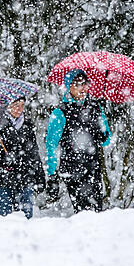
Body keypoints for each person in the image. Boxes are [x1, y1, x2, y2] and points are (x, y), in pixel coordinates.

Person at [45, 69, 112, 213]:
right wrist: (52, 174)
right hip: (73, 170)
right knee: (85, 213)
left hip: (93, 167)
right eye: (78, 85)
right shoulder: (60, 112)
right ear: (69, 87)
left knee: (97, 211)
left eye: (85, 84)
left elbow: (106, 140)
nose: (83, 88)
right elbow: (51, 144)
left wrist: (102, 130)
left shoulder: (95, 107)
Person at [0, 97, 46, 219]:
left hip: (24, 178)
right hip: (0, 180)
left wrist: (39, 176)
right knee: (3, 222)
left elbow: (34, 153)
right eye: (16, 105)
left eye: (22, 105)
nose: (20, 109)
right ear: (7, 105)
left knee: (26, 222)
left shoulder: (27, 125)